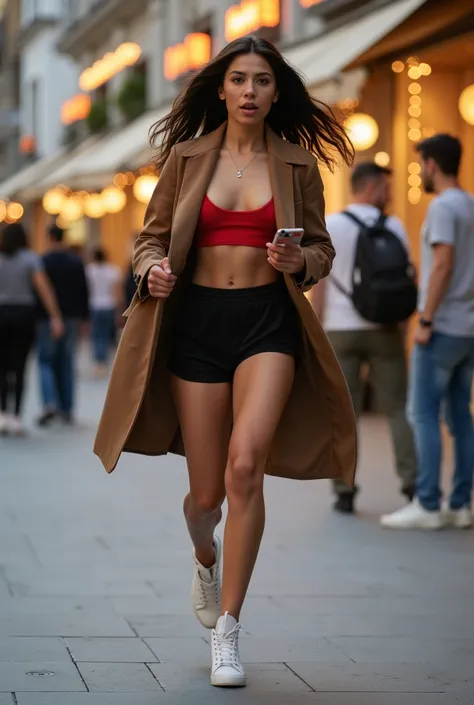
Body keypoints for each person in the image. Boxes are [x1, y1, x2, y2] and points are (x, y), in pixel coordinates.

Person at [93, 36, 357, 687]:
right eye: (238, 79)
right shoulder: (186, 158)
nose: (249, 91)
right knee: (206, 494)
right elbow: (151, 237)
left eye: (261, 81)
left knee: (247, 467)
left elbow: (321, 248)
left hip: (269, 325)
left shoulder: (296, 164)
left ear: (275, 91)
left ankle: (229, 630)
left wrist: (303, 262)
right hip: (198, 328)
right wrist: (152, 268)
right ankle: (204, 556)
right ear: (220, 88)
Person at [310, 163, 417, 514]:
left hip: (341, 329)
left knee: (345, 413)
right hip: (384, 329)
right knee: (398, 408)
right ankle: (412, 484)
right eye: (385, 187)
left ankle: (344, 489)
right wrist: (402, 326)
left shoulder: (334, 225)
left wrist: (319, 328)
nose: (388, 194)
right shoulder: (394, 226)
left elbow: (321, 282)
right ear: (371, 188)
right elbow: (406, 278)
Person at [381, 134, 474, 530]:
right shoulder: (470, 204)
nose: (420, 171)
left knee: (421, 413)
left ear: (433, 164)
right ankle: (461, 504)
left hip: (442, 326)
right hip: (468, 327)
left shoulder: (442, 208)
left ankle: (428, 504)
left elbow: (442, 264)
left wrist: (426, 319)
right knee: (460, 418)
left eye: (422, 164)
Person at [0, 223, 63, 435]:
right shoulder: (30, 259)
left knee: (1, 367)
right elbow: (44, 289)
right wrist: (55, 316)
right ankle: (16, 416)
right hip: (24, 317)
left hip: (1, 314)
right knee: (19, 367)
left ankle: (2, 415)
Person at [36, 225, 89, 426]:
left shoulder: (43, 261)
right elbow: (84, 291)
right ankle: (66, 408)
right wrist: (85, 318)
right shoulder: (76, 261)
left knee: (46, 360)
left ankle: (49, 402)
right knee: (67, 361)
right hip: (73, 317)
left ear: (49, 237)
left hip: (48, 318)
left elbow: (38, 292)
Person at [86, 248, 122, 377]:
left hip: (95, 305)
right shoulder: (113, 271)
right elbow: (117, 293)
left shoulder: (89, 270)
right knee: (106, 335)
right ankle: (103, 362)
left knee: (96, 335)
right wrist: (119, 310)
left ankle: (99, 362)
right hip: (109, 305)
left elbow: (87, 291)